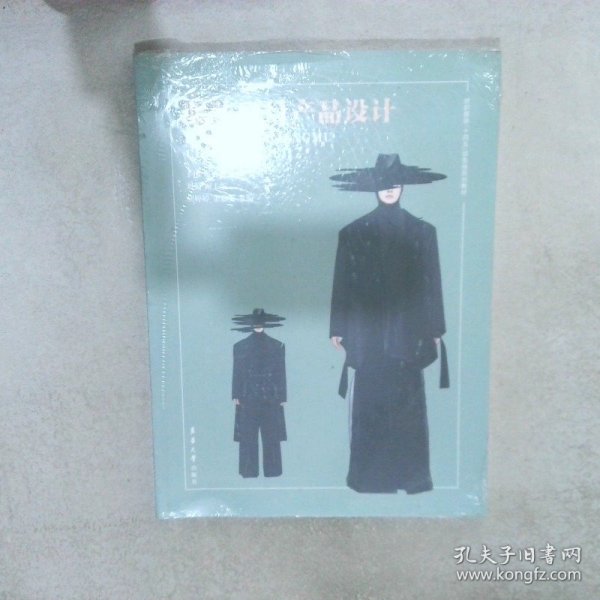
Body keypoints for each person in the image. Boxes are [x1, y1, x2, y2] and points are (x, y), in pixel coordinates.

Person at [329, 153, 449, 494]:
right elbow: (342, 283)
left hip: (409, 334)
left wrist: (435, 328)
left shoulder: (423, 232)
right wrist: (338, 327)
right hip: (368, 335)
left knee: (408, 407)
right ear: (374, 188)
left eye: (395, 183)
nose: (390, 189)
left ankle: (411, 479)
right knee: (370, 404)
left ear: (403, 186)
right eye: (383, 184)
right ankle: (369, 480)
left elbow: (432, 285)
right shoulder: (353, 233)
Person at [231, 308, 287, 478]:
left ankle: (271, 471)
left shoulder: (277, 346)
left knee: (271, 436)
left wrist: (282, 396)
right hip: (248, 396)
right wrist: (236, 395)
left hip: (269, 396)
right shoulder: (239, 347)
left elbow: (281, 372)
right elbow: (237, 372)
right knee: (249, 436)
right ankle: (251, 471)